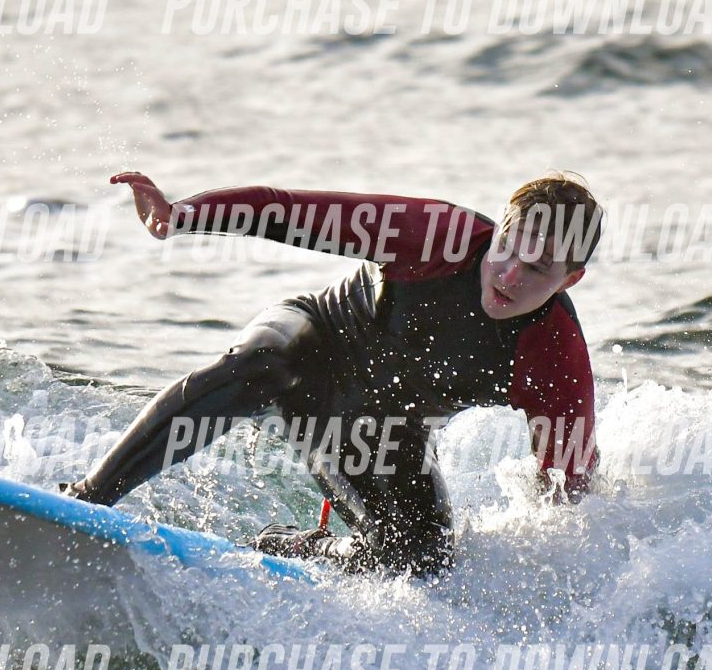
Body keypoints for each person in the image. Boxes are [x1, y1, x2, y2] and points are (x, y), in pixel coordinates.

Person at [63, 172, 602, 574]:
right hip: (311, 343)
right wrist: (182, 214)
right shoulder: (438, 235)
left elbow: (566, 484)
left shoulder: (556, 357)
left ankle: (301, 549)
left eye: (537, 268)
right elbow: (288, 210)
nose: (509, 274)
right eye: (507, 247)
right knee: (266, 366)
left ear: (570, 279)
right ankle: (88, 497)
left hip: (379, 430)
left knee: (424, 560)